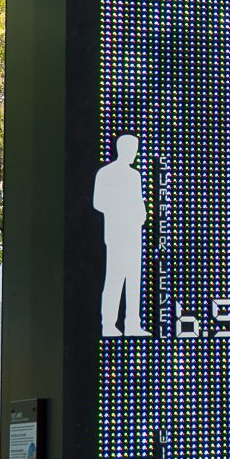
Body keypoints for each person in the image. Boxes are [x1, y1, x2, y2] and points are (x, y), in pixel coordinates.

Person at [94, 134, 148, 337]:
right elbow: (98, 202)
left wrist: (141, 213)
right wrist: (122, 208)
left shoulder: (135, 175)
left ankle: (133, 324)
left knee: (135, 280)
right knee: (115, 279)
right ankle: (108, 325)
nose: (135, 153)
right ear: (123, 149)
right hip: (117, 234)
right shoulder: (106, 173)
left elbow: (138, 200)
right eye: (132, 149)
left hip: (134, 234)